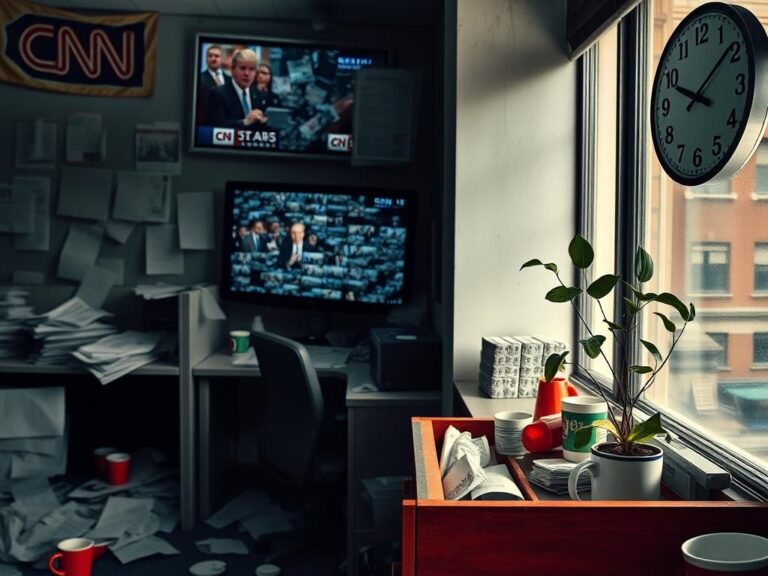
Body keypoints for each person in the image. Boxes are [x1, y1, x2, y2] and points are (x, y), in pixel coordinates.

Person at [207, 49, 269, 128]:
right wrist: (244, 122)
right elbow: (216, 126)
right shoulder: (218, 93)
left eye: (252, 69)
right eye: (243, 68)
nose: (247, 73)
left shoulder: (259, 94)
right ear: (233, 70)